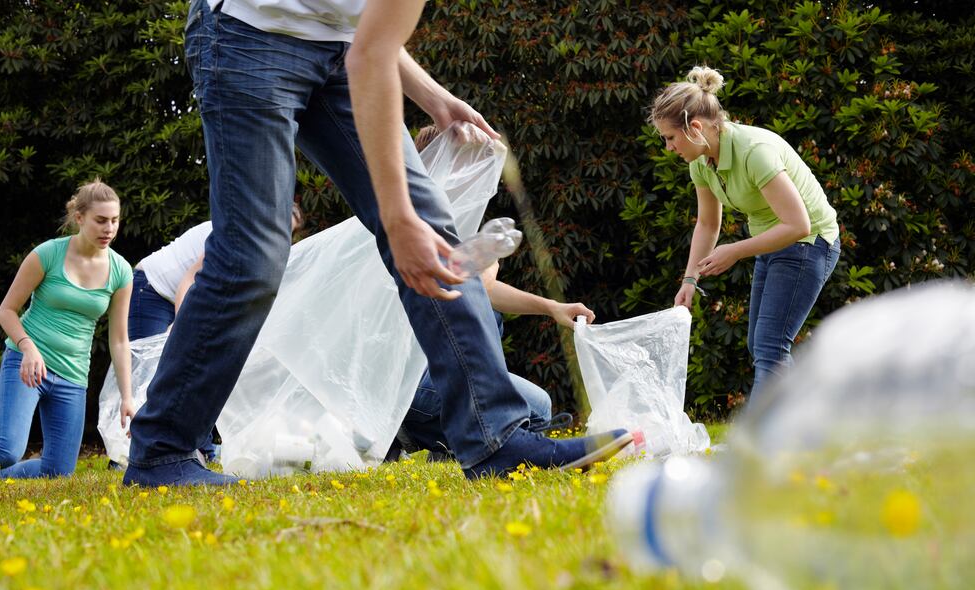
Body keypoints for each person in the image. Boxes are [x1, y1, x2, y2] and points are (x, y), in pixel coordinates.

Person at [122, 0, 632, 486]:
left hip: (341, 50)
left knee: (435, 235)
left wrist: (433, 97)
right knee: (253, 258)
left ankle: (494, 439)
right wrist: (397, 218)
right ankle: (162, 450)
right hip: (247, 35)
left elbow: (369, 33)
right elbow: (371, 56)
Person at [392, 125, 593, 460]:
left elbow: (487, 290)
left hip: (426, 374)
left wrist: (552, 307)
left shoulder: (451, 219)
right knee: (535, 409)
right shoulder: (415, 224)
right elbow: (474, 287)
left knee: (536, 403)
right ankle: (416, 431)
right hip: (408, 382)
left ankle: (446, 440)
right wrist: (485, 260)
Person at [651, 66, 840, 403]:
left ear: (694, 128)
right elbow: (708, 224)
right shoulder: (701, 160)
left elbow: (799, 225)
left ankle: (763, 444)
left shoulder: (755, 151)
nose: (668, 148)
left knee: (770, 345)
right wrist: (689, 280)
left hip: (810, 242)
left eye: (669, 137)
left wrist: (735, 250)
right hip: (773, 241)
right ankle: (801, 424)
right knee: (761, 344)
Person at [0, 180, 134, 479]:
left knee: (58, 471)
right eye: (100, 220)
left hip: (72, 375)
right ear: (79, 218)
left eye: (114, 220)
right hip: (27, 364)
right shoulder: (47, 254)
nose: (109, 229)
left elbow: (120, 341)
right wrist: (27, 347)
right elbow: (6, 311)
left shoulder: (121, 271)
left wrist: (127, 397)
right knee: (7, 450)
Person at [125, 205, 303, 463]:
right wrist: (182, 323)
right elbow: (189, 280)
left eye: (290, 231)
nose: (283, 233)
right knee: (151, 372)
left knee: (201, 369)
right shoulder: (232, 229)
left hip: (183, 294)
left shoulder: (262, 248)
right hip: (152, 287)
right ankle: (132, 452)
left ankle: (202, 450)